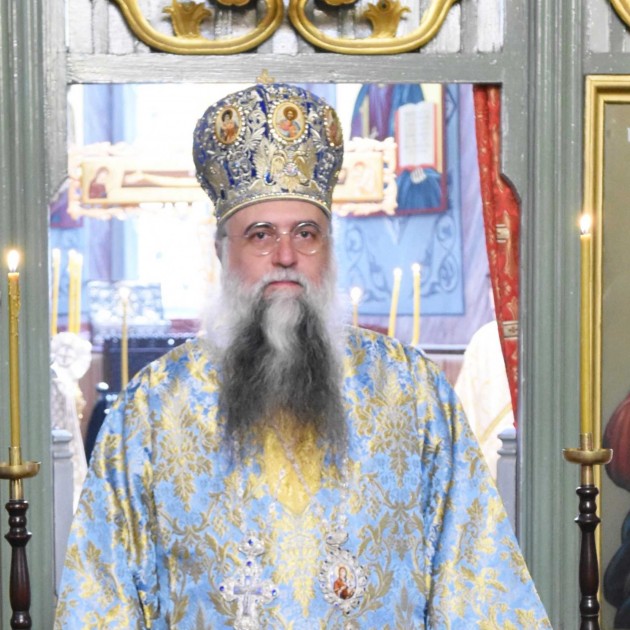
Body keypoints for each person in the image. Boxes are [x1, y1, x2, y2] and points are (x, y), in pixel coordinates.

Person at [55, 83, 551, 628]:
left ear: (328, 249)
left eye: (307, 233)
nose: (286, 255)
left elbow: (477, 584)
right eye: (260, 235)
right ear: (221, 251)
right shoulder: (153, 409)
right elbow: (100, 601)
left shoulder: (412, 393)